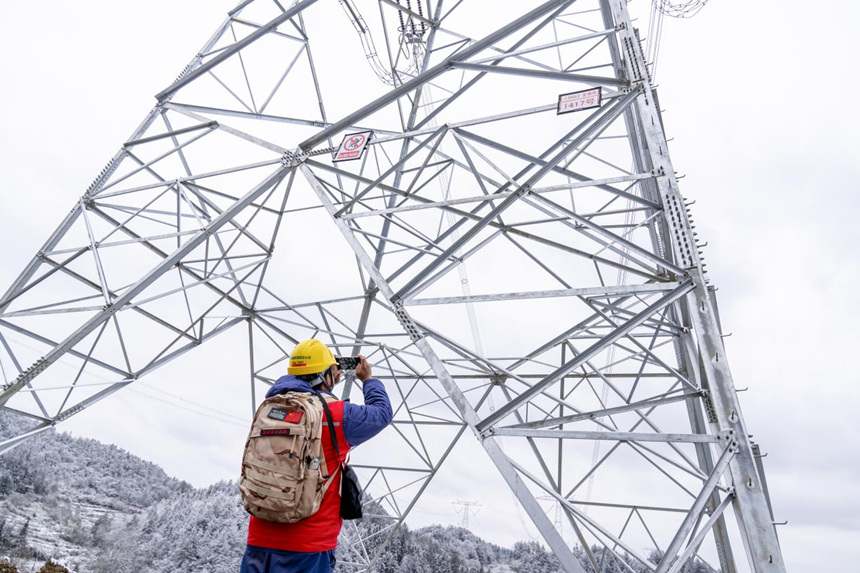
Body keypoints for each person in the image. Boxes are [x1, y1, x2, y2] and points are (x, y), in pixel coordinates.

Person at [240, 339, 392, 573]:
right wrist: (367, 379)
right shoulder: (337, 414)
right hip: (308, 547)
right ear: (326, 374)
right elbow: (382, 413)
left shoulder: (271, 408)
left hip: (259, 542)